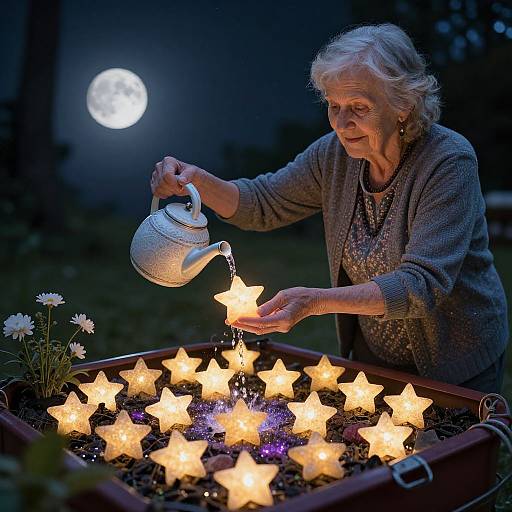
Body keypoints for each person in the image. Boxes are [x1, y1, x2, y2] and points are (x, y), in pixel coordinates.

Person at [150, 23, 508, 393]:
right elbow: (262, 203)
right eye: (334, 106)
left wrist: (314, 302)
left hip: (455, 357)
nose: (342, 123)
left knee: (446, 451)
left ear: (403, 105)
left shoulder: (448, 161)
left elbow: (420, 286)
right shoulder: (334, 155)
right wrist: (195, 181)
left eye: (359, 107)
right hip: (374, 353)